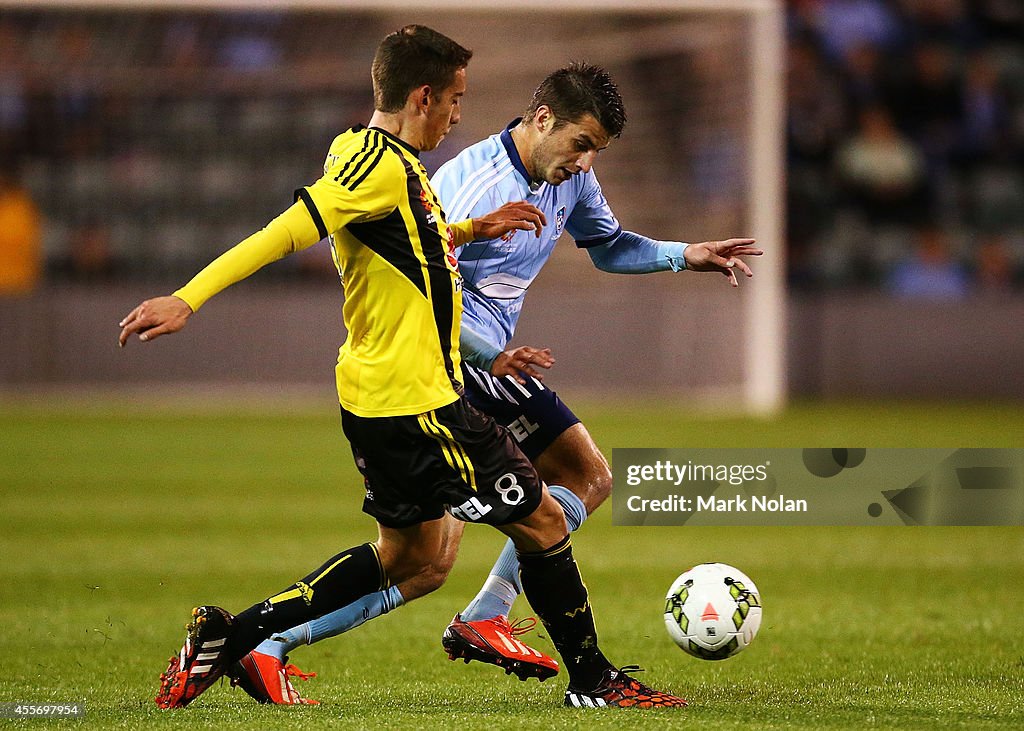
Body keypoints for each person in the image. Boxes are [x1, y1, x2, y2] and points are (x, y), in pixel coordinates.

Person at [118, 26, 686, 711]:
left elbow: (407, 240)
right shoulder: (381, 168)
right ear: (422, 96)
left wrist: (475, 231)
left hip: (380, 397)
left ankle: (234, 634)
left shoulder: (375, 157)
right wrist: (188, 297)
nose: (458, 114)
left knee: (410, 558)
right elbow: (291, 228)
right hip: (418, 401)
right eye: (454, 99)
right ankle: (594, 681)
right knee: (543, 521)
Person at [235, 62, 761, 703]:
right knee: (533, 504)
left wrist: (688, 254)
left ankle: (283, 642)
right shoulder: (467, 185)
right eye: (580, 145)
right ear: (543, 120)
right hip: (451, 366)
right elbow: (424, 292)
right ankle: (488, 628)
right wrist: (491, 354)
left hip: (488, 365)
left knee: (447, 552)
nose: (586, 163)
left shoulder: (569, 180)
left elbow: (609, 245)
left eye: (596, 151)